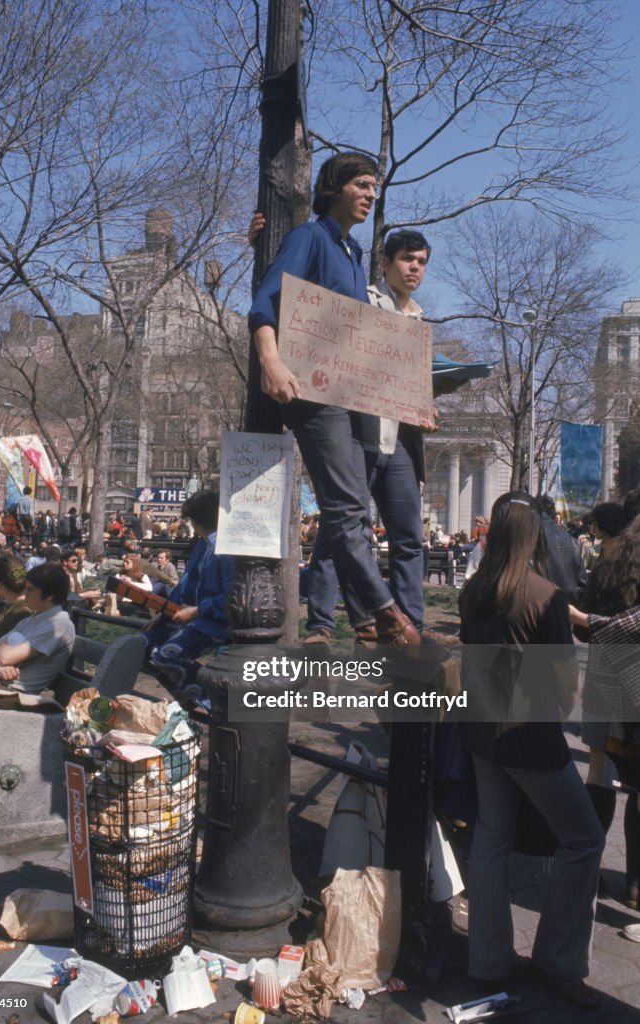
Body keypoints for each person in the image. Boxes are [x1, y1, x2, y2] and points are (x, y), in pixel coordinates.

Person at [249, 152, 422, 653]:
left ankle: (368, 621)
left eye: (374, 187)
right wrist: (271, 362)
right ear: (335, 188)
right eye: (363, 185)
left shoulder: (350, 253)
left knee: (351, 511)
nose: (371, 194)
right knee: (347, 507)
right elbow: (265, 302)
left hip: (346, 396)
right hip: (309, 391)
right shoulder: (308, 236)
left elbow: (358, 336)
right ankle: (386, 615)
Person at [459, 491, 604, 1009]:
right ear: (535, 534)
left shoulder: (474, 591)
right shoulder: (545, 595)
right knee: (584, 840)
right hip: (530, 737)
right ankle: (559, 961)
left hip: (481, 729)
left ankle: (487, 959)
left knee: (491, 841)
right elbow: (564, 682)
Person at [570, 512, 640, 911]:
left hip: (604, 673)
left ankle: (587, 873)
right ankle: (635, 885)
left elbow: (582, 625)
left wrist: (589, 623)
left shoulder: (611, 558)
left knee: (599, 774)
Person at [143, 490, 233, 689]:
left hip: (213, 620)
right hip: (190, 614)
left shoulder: (224, 549)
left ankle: (212, 696)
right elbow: (186, 582)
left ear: (197, 520)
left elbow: (230, 595)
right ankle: (192, 699)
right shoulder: (203, 545)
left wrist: (197, 611)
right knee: (141, 645)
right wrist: (165, 612)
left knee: (166, 656)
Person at [0, 562, 75, 695]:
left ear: (49, 595)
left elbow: (6, 657)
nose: (25, 593)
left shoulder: (58, 625)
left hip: (13, 693)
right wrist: (3, 656)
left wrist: (2, 646)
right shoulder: (31, 620)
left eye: (30, 589)